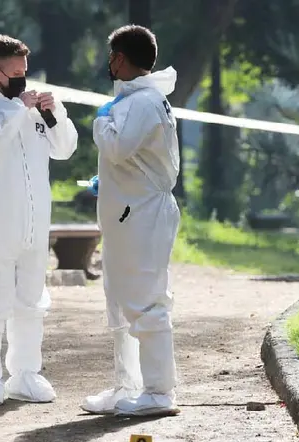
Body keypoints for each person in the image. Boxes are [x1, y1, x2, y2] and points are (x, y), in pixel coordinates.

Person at [0, 34, 78, 406]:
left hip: (35, 223)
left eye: (25, 72)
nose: (22, 80)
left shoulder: (32, 108)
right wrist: (18, 109)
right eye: (15, 74)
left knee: (31, 301)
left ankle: (25, 374)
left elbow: (65, 149)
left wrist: (55, 114)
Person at [80, 25, 181, 417]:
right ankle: (128, 384)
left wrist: (100, 121)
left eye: (111, 56)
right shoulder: (140, 99)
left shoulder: (142, 102)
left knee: (145, 299)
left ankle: (158, 392)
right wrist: (108, 181)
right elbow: (136, 158)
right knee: (120, 301)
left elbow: (117, 145)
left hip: (142, 216)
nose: (109, 62)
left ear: (119, 58)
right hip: (130, 213)